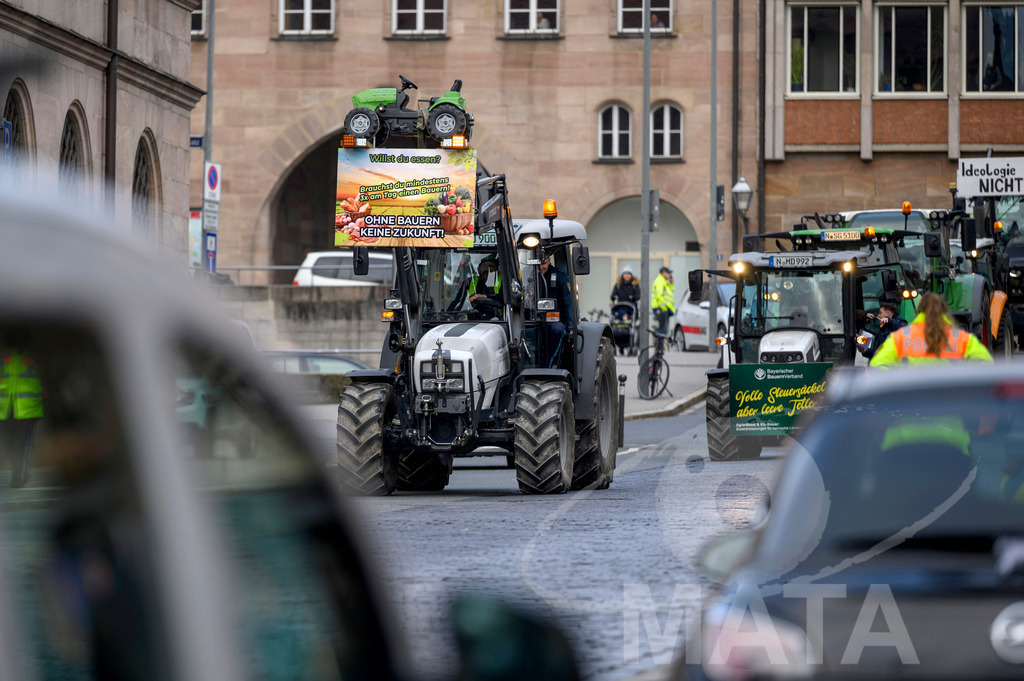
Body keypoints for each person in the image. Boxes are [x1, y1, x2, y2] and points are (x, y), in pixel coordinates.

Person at [870, 292, 993, 367]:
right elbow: (987, 366)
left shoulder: (900, 338)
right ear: (944, 311)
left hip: (912, 408)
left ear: (919, 311)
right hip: (951, 407)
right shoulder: (962, 339)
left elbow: (877, 366)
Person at [0, 345, 44, 487]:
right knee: (9, 442)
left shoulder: (35, 352)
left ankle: (19, 477)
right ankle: (17, 474)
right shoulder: (4, 352)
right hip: (4, 406)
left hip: (28, 406)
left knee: (23, 442)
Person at [536, 253, 574, 367]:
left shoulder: (560, 276)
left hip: (553, 319)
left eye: (543, 263)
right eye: (538, 264)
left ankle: (547, 365)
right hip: (531, 318)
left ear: (548, 260)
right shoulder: (528, 276)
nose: (541, 267)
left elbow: (569, 304)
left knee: (558, 330)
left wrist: (572, 328)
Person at [651, 266, 675, 337]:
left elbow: (669, 294)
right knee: (662, 331)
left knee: (663, 330)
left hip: (663, 308)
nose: (670, 275)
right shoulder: (660, 281)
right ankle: (660, 347)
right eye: (668, 273)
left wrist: (671, 284)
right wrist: (664, 309)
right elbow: (659, 296)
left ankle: (660, 347)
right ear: (664, 273)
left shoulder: (664, 282)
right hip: (661, 308)